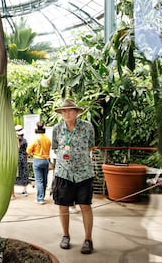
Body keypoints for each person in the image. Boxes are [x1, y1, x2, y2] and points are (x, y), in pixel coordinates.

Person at [51, 98, 95, 254]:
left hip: (84, 173)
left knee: (85, 205)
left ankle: (88, 239)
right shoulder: (57, 129)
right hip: (63, 173)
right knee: (63, 205)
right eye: (63, 110)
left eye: (69, 110)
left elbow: (91, 145)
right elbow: (56, 148)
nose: (66, 113)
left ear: (76, 112)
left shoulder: (87, 127)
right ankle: (65, 236)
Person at [26, 121, 51, 205]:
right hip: (46, 160)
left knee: (39, 180)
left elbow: (28, 151)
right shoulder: (47, 139)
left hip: (37, 160)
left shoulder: (34, 140)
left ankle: (40, 199)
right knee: (44, 180)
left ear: (36, 130)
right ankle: (42, 196)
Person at [16, 128, 29, 196]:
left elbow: (18, 148)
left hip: (19, 158)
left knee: (22, 173)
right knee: (24, 173)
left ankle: (24, 190)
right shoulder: (24, 141)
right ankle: (24, 190)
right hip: (23, 158)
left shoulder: (17, 141)